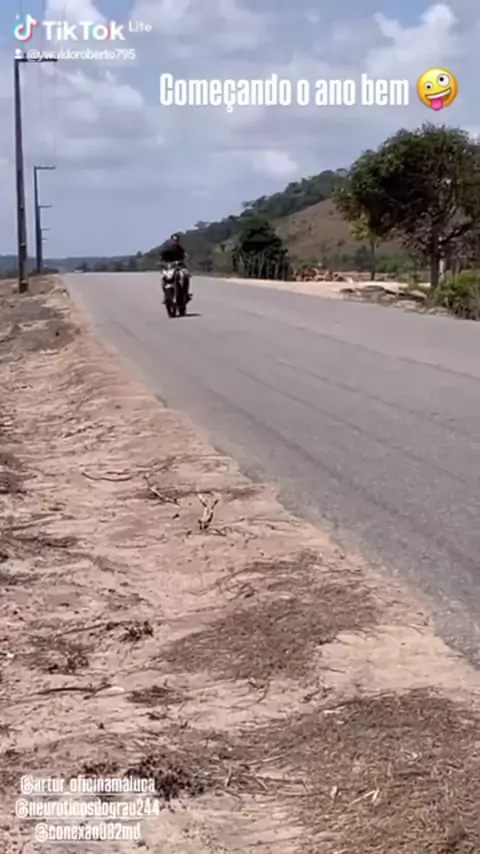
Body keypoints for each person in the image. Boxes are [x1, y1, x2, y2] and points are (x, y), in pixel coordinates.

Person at [160, 234, 191, 301]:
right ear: (171, 240)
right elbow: (162, 258)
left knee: (185, 276)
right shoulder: (167, 249)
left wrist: (184, 261)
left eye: (176, 240)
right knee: (163, 278)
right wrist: (162, 263)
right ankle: (165, 295)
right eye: (174, 240)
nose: (175, 241)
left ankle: (186, 294)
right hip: (169, 267)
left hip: (180, 267)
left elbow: (185, 257)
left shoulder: (181, 249)